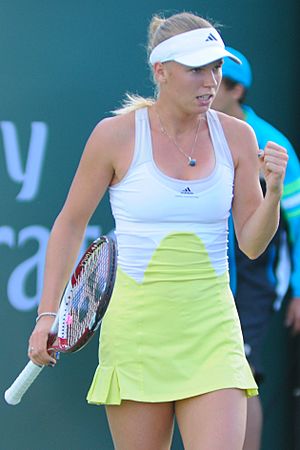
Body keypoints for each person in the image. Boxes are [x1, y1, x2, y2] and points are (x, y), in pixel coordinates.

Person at [27, 12, 288, 450]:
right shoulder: (114, 136)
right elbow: (70, 224)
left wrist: (274, 191)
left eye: (216, 68)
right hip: (138, 337)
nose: (210, 81)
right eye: (196, 69)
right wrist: (47, 315)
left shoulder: (239, 137)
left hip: (213, 334)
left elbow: (253, 243)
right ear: (160, 72)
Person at [212, 48, 300, 450]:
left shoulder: (273, 144)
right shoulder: (196, 134)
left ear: (235, 89)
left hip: (254, 280)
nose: (206, 86)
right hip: (208, 277)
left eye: (215, 77)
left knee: (240, 375)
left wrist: (299, 287)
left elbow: (297, 221)